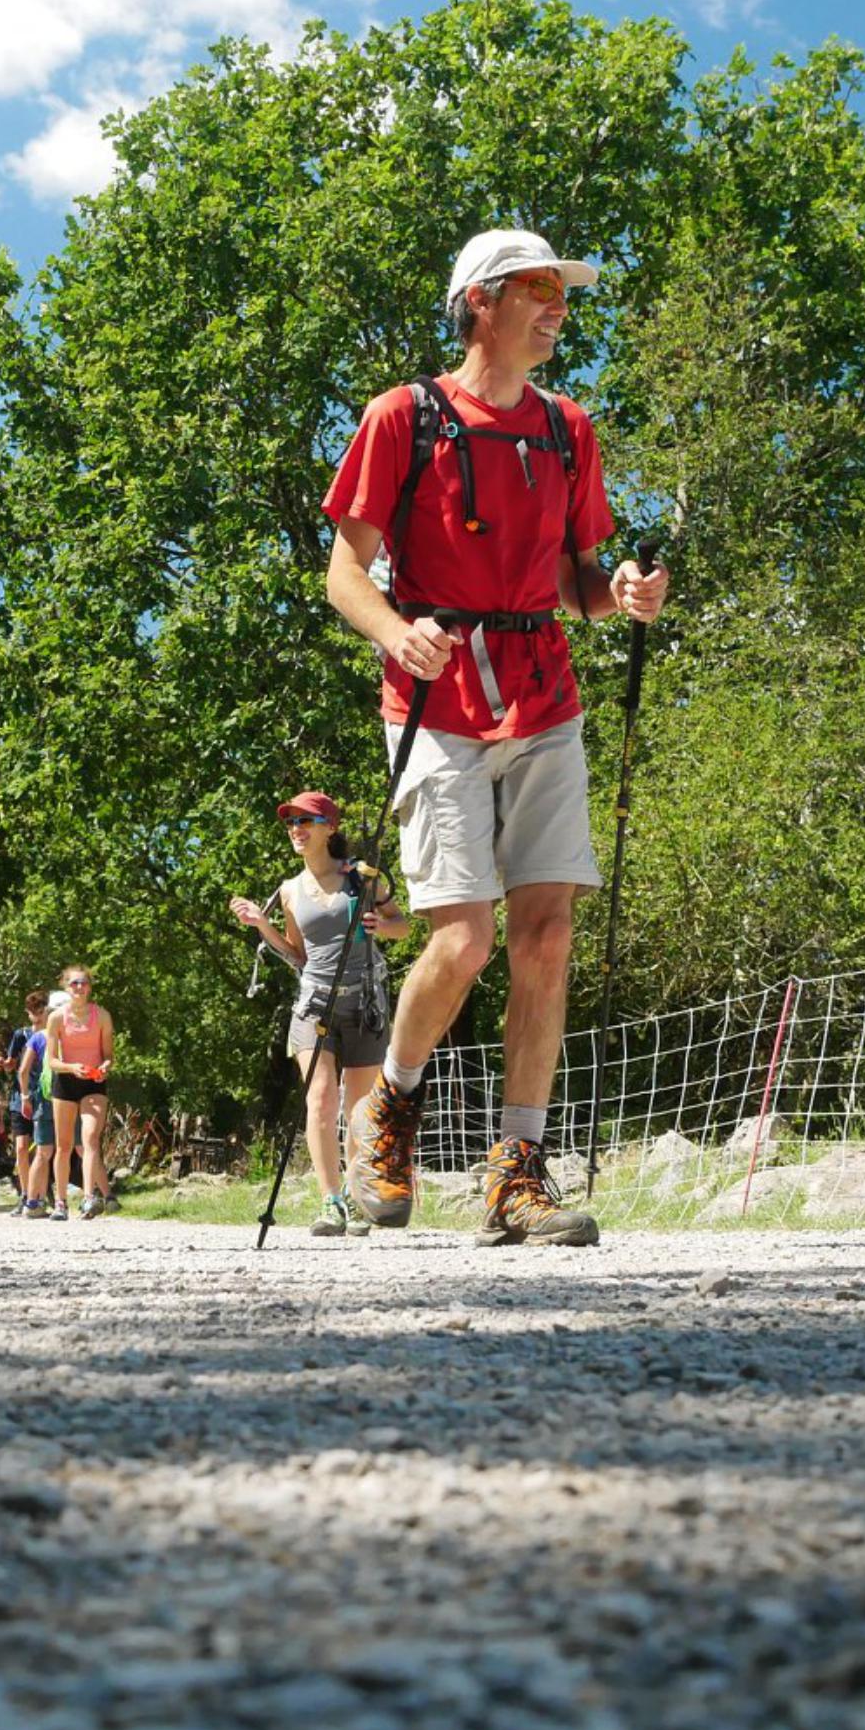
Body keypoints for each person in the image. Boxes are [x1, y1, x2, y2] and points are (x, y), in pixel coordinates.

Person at [322, 229, 670, 1244]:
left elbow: (577, 582)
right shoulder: (406, 415)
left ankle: (517, 1171)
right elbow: (347, 572)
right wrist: (396, 631)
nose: (558, 308)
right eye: (538, 290)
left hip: (544, 693)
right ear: (479, 301)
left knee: (547, 936)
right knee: (463, 939)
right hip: (437, 702)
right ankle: (387, 1105)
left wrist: (624, 595)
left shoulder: (569, 428)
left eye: (562, 293)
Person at [231, 790, 409, 1238]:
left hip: (364, 1005)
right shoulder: (290, 890)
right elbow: (299, 957)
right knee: (321, 1099)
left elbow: (403, 927)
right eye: (291, 822)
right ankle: (332, 1202)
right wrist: (262, 925)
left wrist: (380, 926)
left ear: (329, 827)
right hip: (314, 1005)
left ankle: (355, 1191)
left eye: (305, 821)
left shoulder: (363, 879)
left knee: (360, 1108)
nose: (296, 829)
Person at [44, 964, 116, 1219]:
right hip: (65, 1081)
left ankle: (89, 1198)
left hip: (93, 1083)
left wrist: (105, 1066)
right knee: (63, 1146)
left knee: (90, 1139)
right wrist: (71, 1067)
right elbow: (51, 1060)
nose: (79, 987)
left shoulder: (103, 1016)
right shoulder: (56, 1018)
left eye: (83, 982)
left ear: (90, 987)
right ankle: (61, 1203)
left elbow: (108, 1056)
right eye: (74, 983)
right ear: (66, 987)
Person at [12, 988, 54, 1217]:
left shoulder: (57, 1035)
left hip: (47, 1097)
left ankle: (40, 1196)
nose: (37, 1014)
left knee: (43, 1147)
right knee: (21, 1148)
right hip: (22, 1098)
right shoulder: (23, 1035)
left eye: (41, 1009)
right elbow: (16, 1067)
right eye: (33, 1010)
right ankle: (26, 1195)